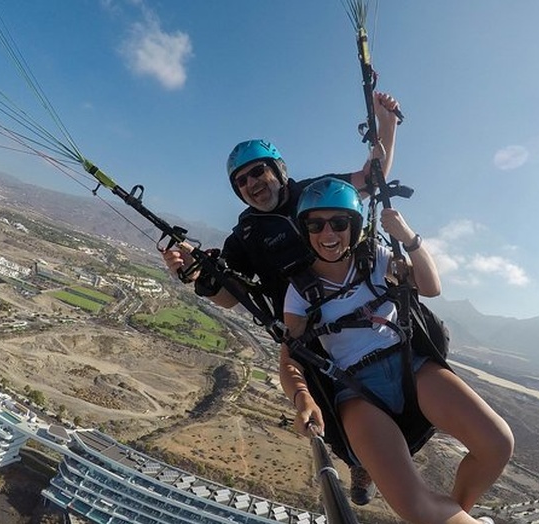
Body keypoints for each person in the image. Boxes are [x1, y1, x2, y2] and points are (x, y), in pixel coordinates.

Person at [162, 92, 401, 504]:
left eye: (259, 172)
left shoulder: (319, 191)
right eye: (242, 180)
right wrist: (193, 273)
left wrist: (387, 125)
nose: (253, 184)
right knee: (331, 404)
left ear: (279, 171)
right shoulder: (246, 235)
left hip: (356, 306)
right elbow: (229, 297)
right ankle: (360, 464)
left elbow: (372, 177)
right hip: (304, 331)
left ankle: (376, 460)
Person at [279, 177, 514, 524]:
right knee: (414, 507)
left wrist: (409, 238)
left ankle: (453, 516)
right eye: (316, 224)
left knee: (496, 443)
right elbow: (290, 355)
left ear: (354, 225)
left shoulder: (376, 260)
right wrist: (303, 398)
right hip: (357, 390)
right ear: (305, 229)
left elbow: (430, 287)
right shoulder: (300, 292)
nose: (327, 233)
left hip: (409, 367)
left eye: (339, 222)